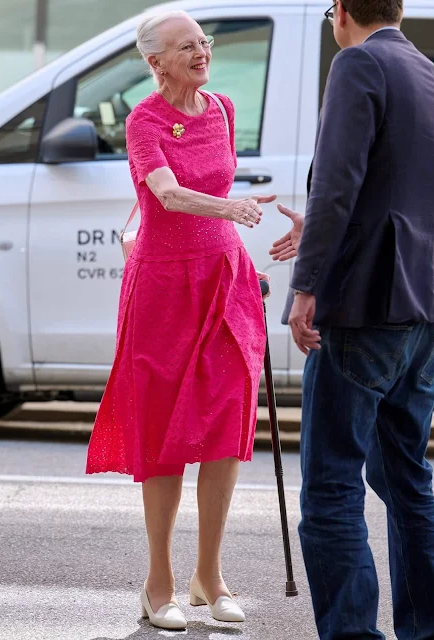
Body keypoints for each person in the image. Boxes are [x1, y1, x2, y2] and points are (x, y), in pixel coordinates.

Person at [271, 1, 434, 638]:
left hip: (365, 304)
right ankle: (428, 630)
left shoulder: (357, 64)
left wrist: (306, 287)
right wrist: (321, 233)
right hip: (428, 302)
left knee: (330, 487)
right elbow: (396, 190)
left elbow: (336, 185)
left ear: (345, 11)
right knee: (404, 476)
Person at [86, 10, 275, 631]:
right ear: (155, 62)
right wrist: (231, 206)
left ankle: (209, 578)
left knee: (224, 426)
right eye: (186, 46)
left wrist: (248, 216)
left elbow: (214, 187)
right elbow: (165, 194)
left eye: (205, 42)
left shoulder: (219, 108)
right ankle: (158, 581)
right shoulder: (142, 123)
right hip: (164, 290)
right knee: (163, 432)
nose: (202, 53)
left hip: (224, 281)